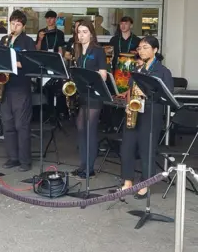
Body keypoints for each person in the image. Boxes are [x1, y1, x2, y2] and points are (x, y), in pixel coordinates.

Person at [115, 36, 172, 198]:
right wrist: (128, 106)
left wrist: (147, 94)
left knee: (147, 150)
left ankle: (145, 184)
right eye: (140, 48)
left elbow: (167, 95)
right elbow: (130, 90)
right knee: (126, 148)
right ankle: (127, 182)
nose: (142, 51)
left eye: (146, 47)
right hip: (134, 112)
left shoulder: (163, 71)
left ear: (155, 50)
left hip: (151, 114)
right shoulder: (137, 70)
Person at [69, 21, 108, 180]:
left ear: (91, 33)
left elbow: (103, 74)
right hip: (83, 94)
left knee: (90, 130)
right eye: (79, 32)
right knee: (80, 127)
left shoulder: (98, 51)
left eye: (85, 32)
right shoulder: (78, 50)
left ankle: (90, 168)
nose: (81, 35)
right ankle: (83, 165)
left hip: (95, 94)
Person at [0, 10, 36, 172]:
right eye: (12, 23)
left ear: (24, 26)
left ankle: (25, 161)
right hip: (5, 87)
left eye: (18, 24)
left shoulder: (28, 42)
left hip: (21, 87)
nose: (15, 26)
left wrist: (12, 63)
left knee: (21, 125)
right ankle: (12, 158)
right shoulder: (4, 40)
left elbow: (31, 63)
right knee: (7, 124)